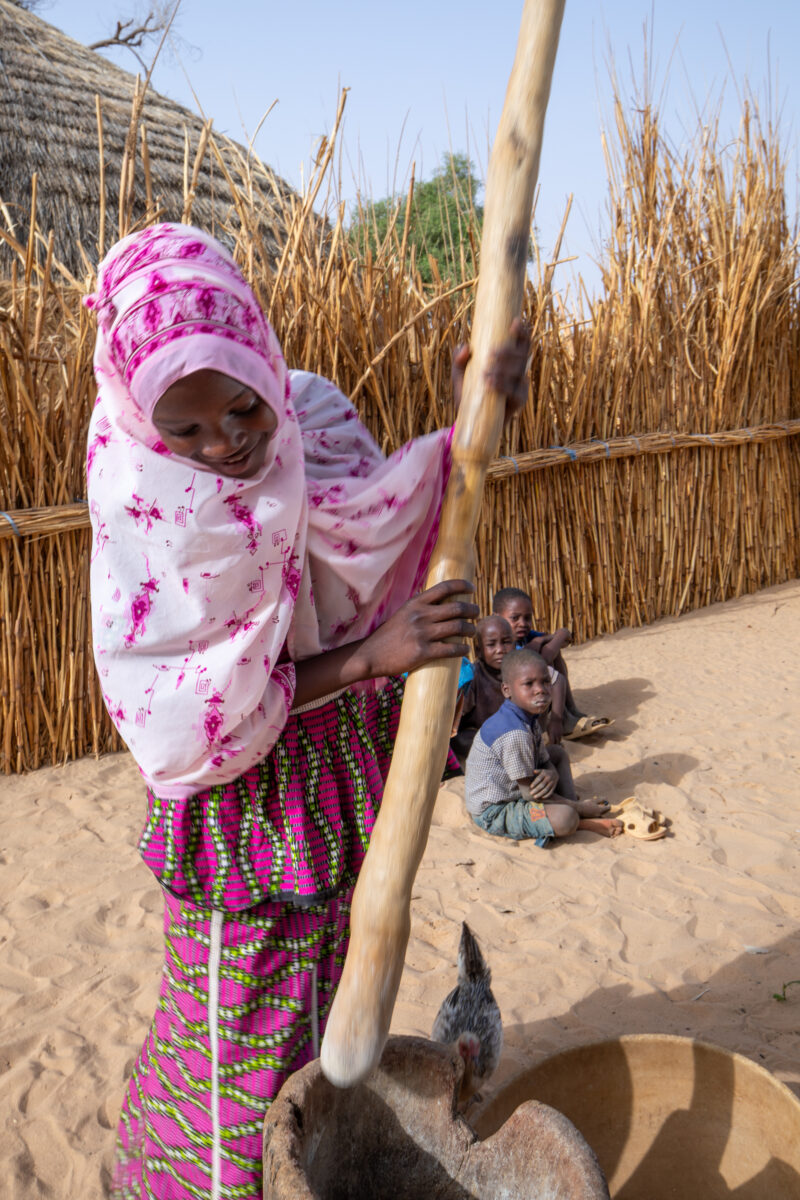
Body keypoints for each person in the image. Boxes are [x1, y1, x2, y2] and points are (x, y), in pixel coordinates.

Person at [84, 222, 530, 1199]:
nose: (227, 442)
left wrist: (477, 406)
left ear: (261, 360)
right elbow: (187, 703)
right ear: (137, 409)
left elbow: (371, 520)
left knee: (308, 1024)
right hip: (247, 809)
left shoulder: (307, 420)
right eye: (187, 427)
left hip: (328, 789)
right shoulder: (149, 508)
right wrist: (372, 655)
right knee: (231, 1051)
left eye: (242, 405)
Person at [464, 648, 623, 844]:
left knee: (557, 752)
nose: (540, 689)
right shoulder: (515, 733)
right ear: (507, 690)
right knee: (566, 818)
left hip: (518, 785)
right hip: (495, 811)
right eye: (528, 684)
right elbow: (530, 794)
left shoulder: (527, 716)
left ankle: (572, 804)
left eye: (545, 681)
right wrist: (578, 808)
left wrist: (552, 772)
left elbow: (545, 759)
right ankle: (580, 818)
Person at [492, 586, 612, 742]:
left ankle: (571, 712)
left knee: (553, 651)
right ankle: (563, 718)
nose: (523, 623)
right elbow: (546, 656)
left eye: (527, 618)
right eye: (515, 618)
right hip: (510, 706)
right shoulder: (503, 646)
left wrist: (544, 639)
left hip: (529, 697)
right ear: (497, 618)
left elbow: (563, 640)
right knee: (547, 657)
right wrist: (558, 635)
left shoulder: (524, 636)